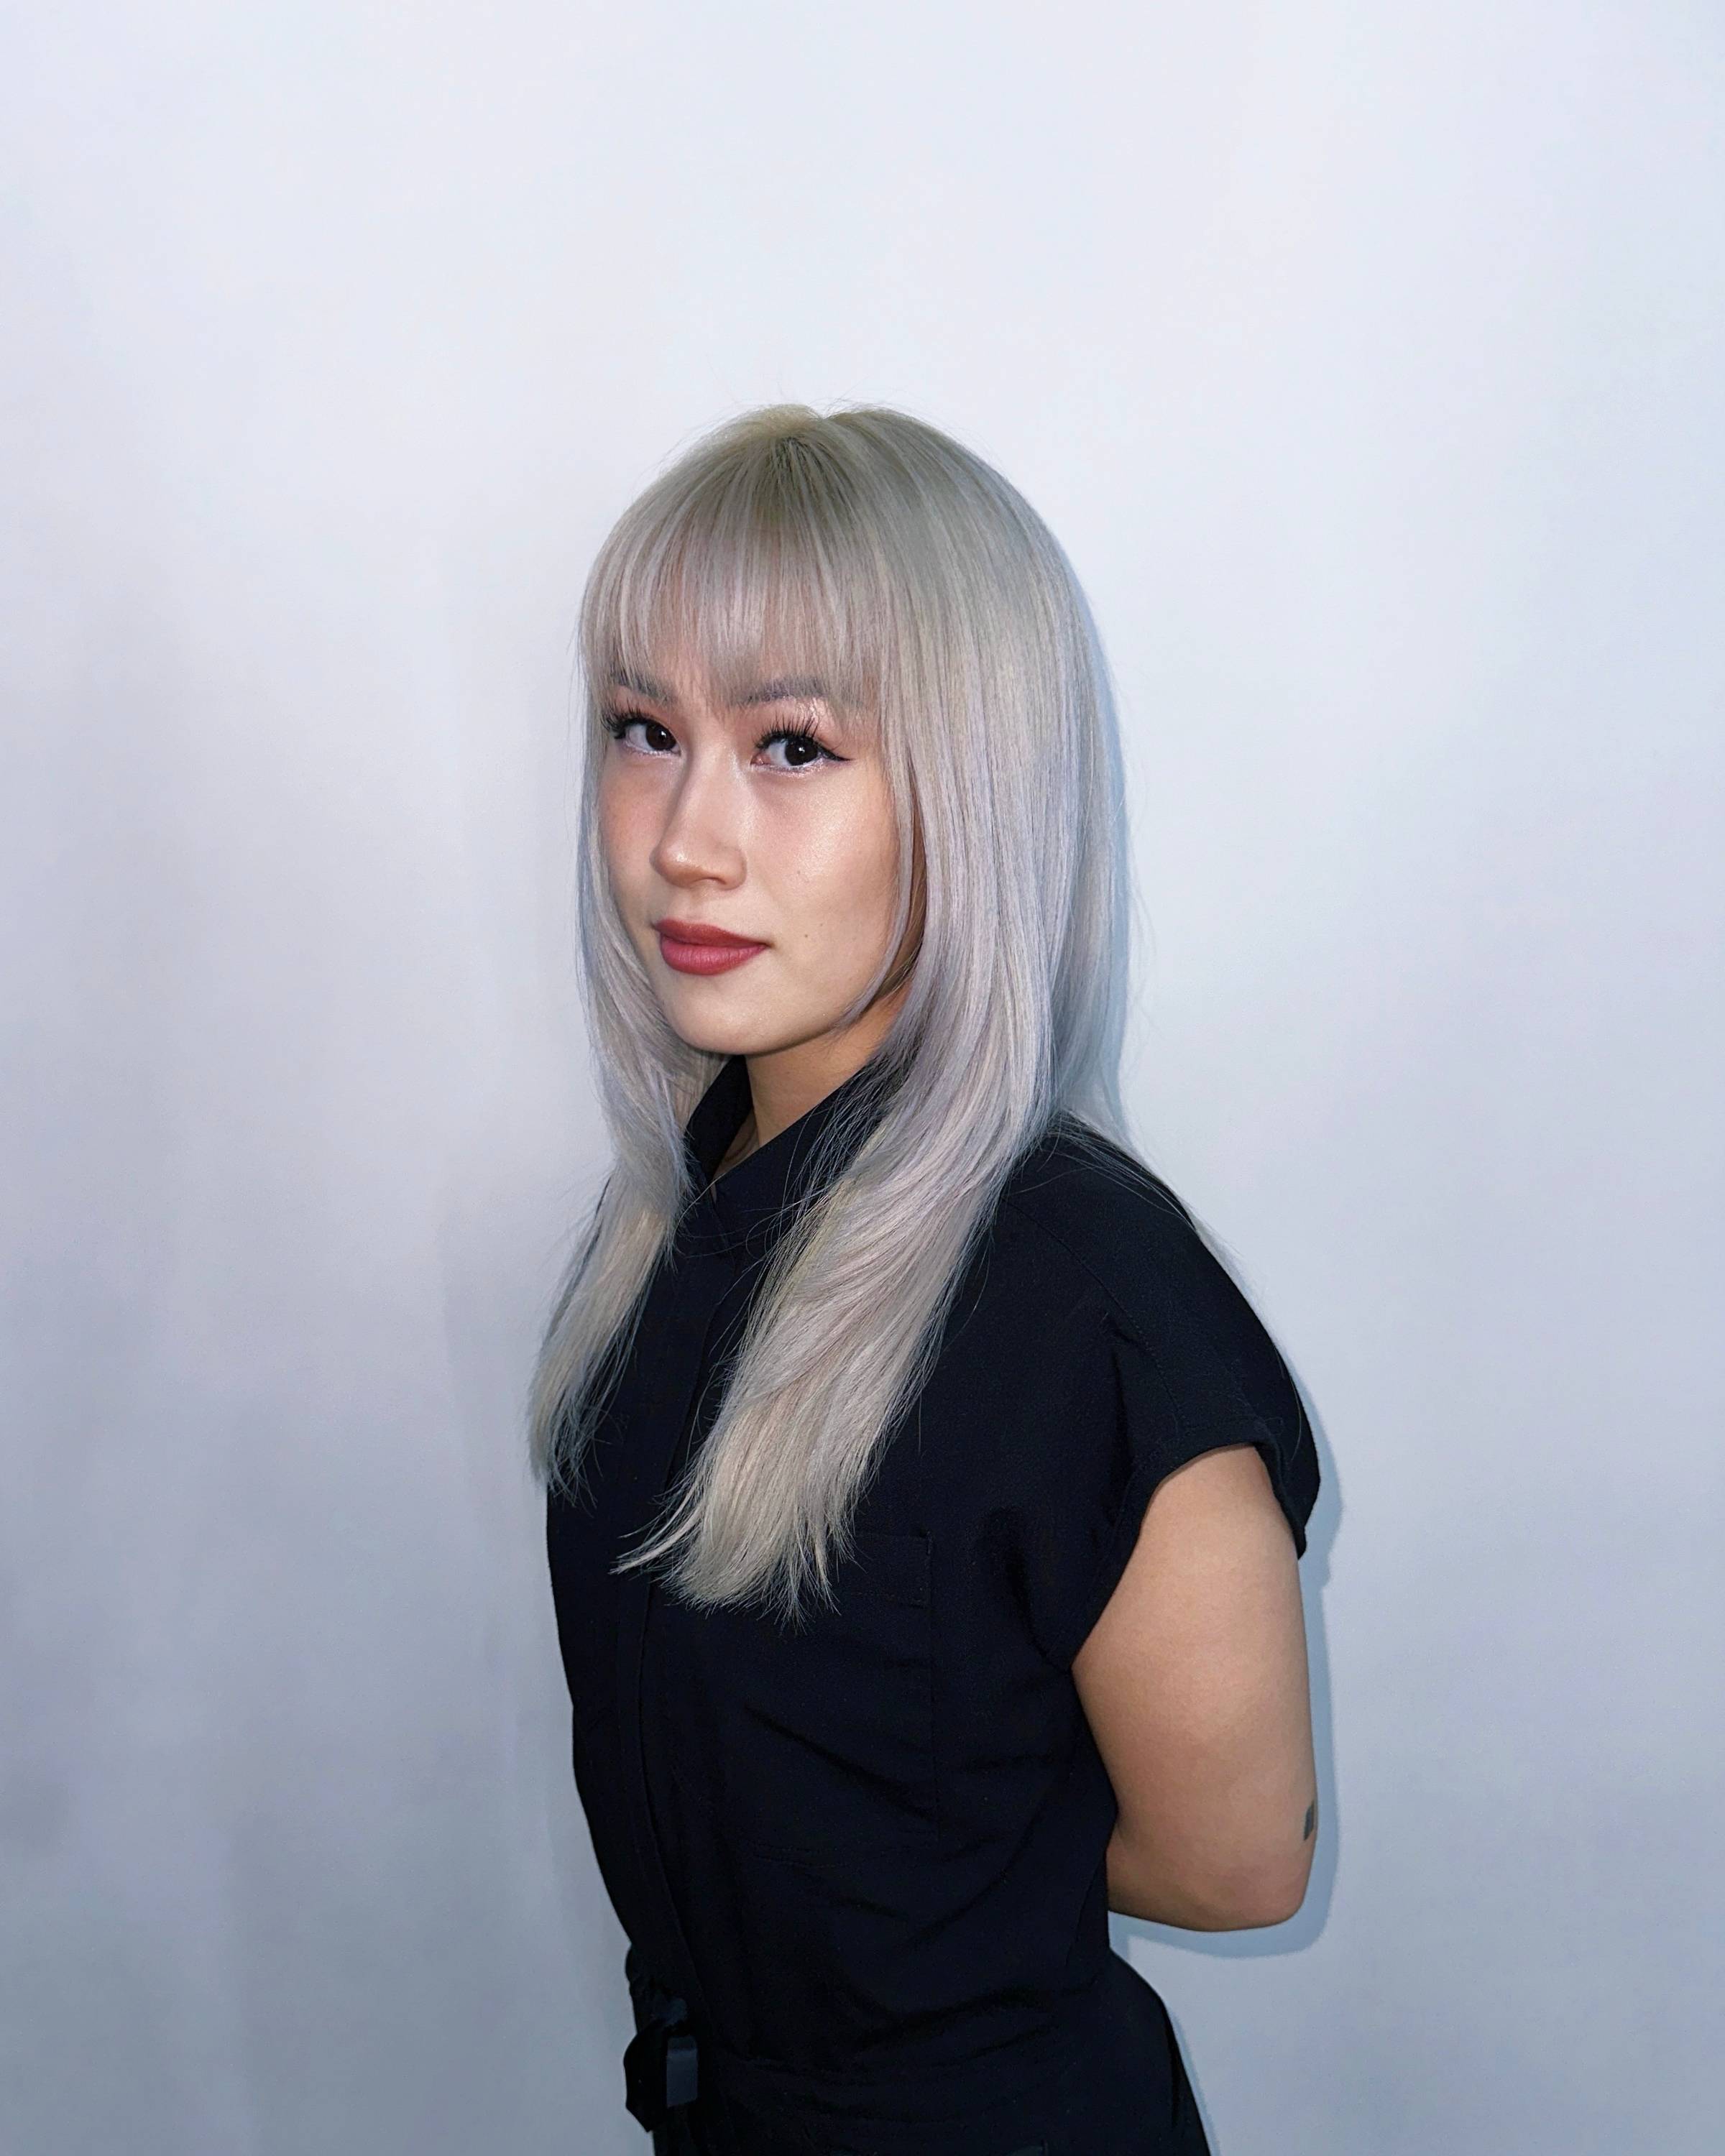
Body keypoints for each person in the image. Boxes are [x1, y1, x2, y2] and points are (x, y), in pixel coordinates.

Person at [533, 402, 1322, 2156]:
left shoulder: (1088, 1305)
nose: (688, 838)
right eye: (645, 731)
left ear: (970, 786)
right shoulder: (677, 1215)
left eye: (795, 747)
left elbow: (1232, 1857)